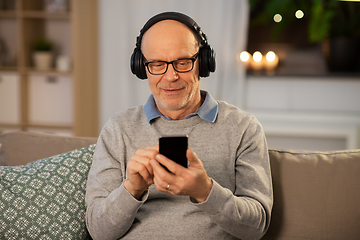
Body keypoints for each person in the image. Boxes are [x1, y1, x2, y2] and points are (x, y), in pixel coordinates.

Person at [85, 12, 273, 240]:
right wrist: (131, 190)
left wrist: (205, 191)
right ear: (141, 67)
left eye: (182, 62)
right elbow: (98, 231)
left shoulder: (243, 128)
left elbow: (256, 227)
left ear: (203, 63)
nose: (170, 76)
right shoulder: (118, 129)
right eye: (157, 64)